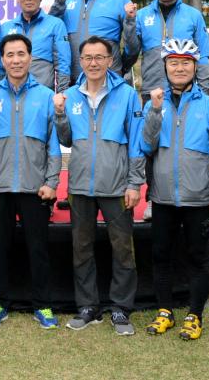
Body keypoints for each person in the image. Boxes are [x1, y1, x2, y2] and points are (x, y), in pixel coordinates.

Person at [139, 39, 209, 340]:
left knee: (198, 259)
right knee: (161, 256)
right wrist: (154, 111)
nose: (179, 68)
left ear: (195, 67)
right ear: (165, 67)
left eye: (186, 63)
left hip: (198, 199)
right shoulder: (154, 104)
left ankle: (194, 314)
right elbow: (146, 146)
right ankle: (165, 311)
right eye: (173, 63)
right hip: (163, 197)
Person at [52, 36, 144, 335]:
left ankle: (121, 308)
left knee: (123, 248)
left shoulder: (127, 95)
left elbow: (137, 143)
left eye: (99, 57)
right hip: (80, 187)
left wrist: (134, 183)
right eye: (88, 57)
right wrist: (60, 114)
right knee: (81, 248)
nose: (93, 63)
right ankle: (88, 306)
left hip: (117, 187)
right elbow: (66, 140)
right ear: (80, 61)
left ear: (109, 61)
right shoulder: (70, 96)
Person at [0, 34, 61, 329]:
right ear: (2, 59)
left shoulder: (45, 96)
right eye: (10, 55)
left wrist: (52, 181)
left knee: (38, 249)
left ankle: (43, 304)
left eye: (21, 54)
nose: (16, 60)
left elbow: (54, 145)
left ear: (30, 58)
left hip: (35, 187)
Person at [48, 0, 139, 84]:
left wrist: (120, 68)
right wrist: (59, 1)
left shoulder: (120, 0)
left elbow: (132, 47)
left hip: (109, 82)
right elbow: (50, 29)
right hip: (74, 83)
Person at [134, 0, 209, 96]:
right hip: (152, 92)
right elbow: (131, 53)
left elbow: (203, 55)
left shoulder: (194, 15)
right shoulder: (140, 16)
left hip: (185, 93)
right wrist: (128, 24)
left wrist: (203, 92)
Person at [0, 0, 70, 93]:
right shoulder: (6, 27)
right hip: (12, 95)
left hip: (43, 95)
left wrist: (62, 93)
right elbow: (0, 66)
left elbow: (63, 63)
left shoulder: (56, 24)